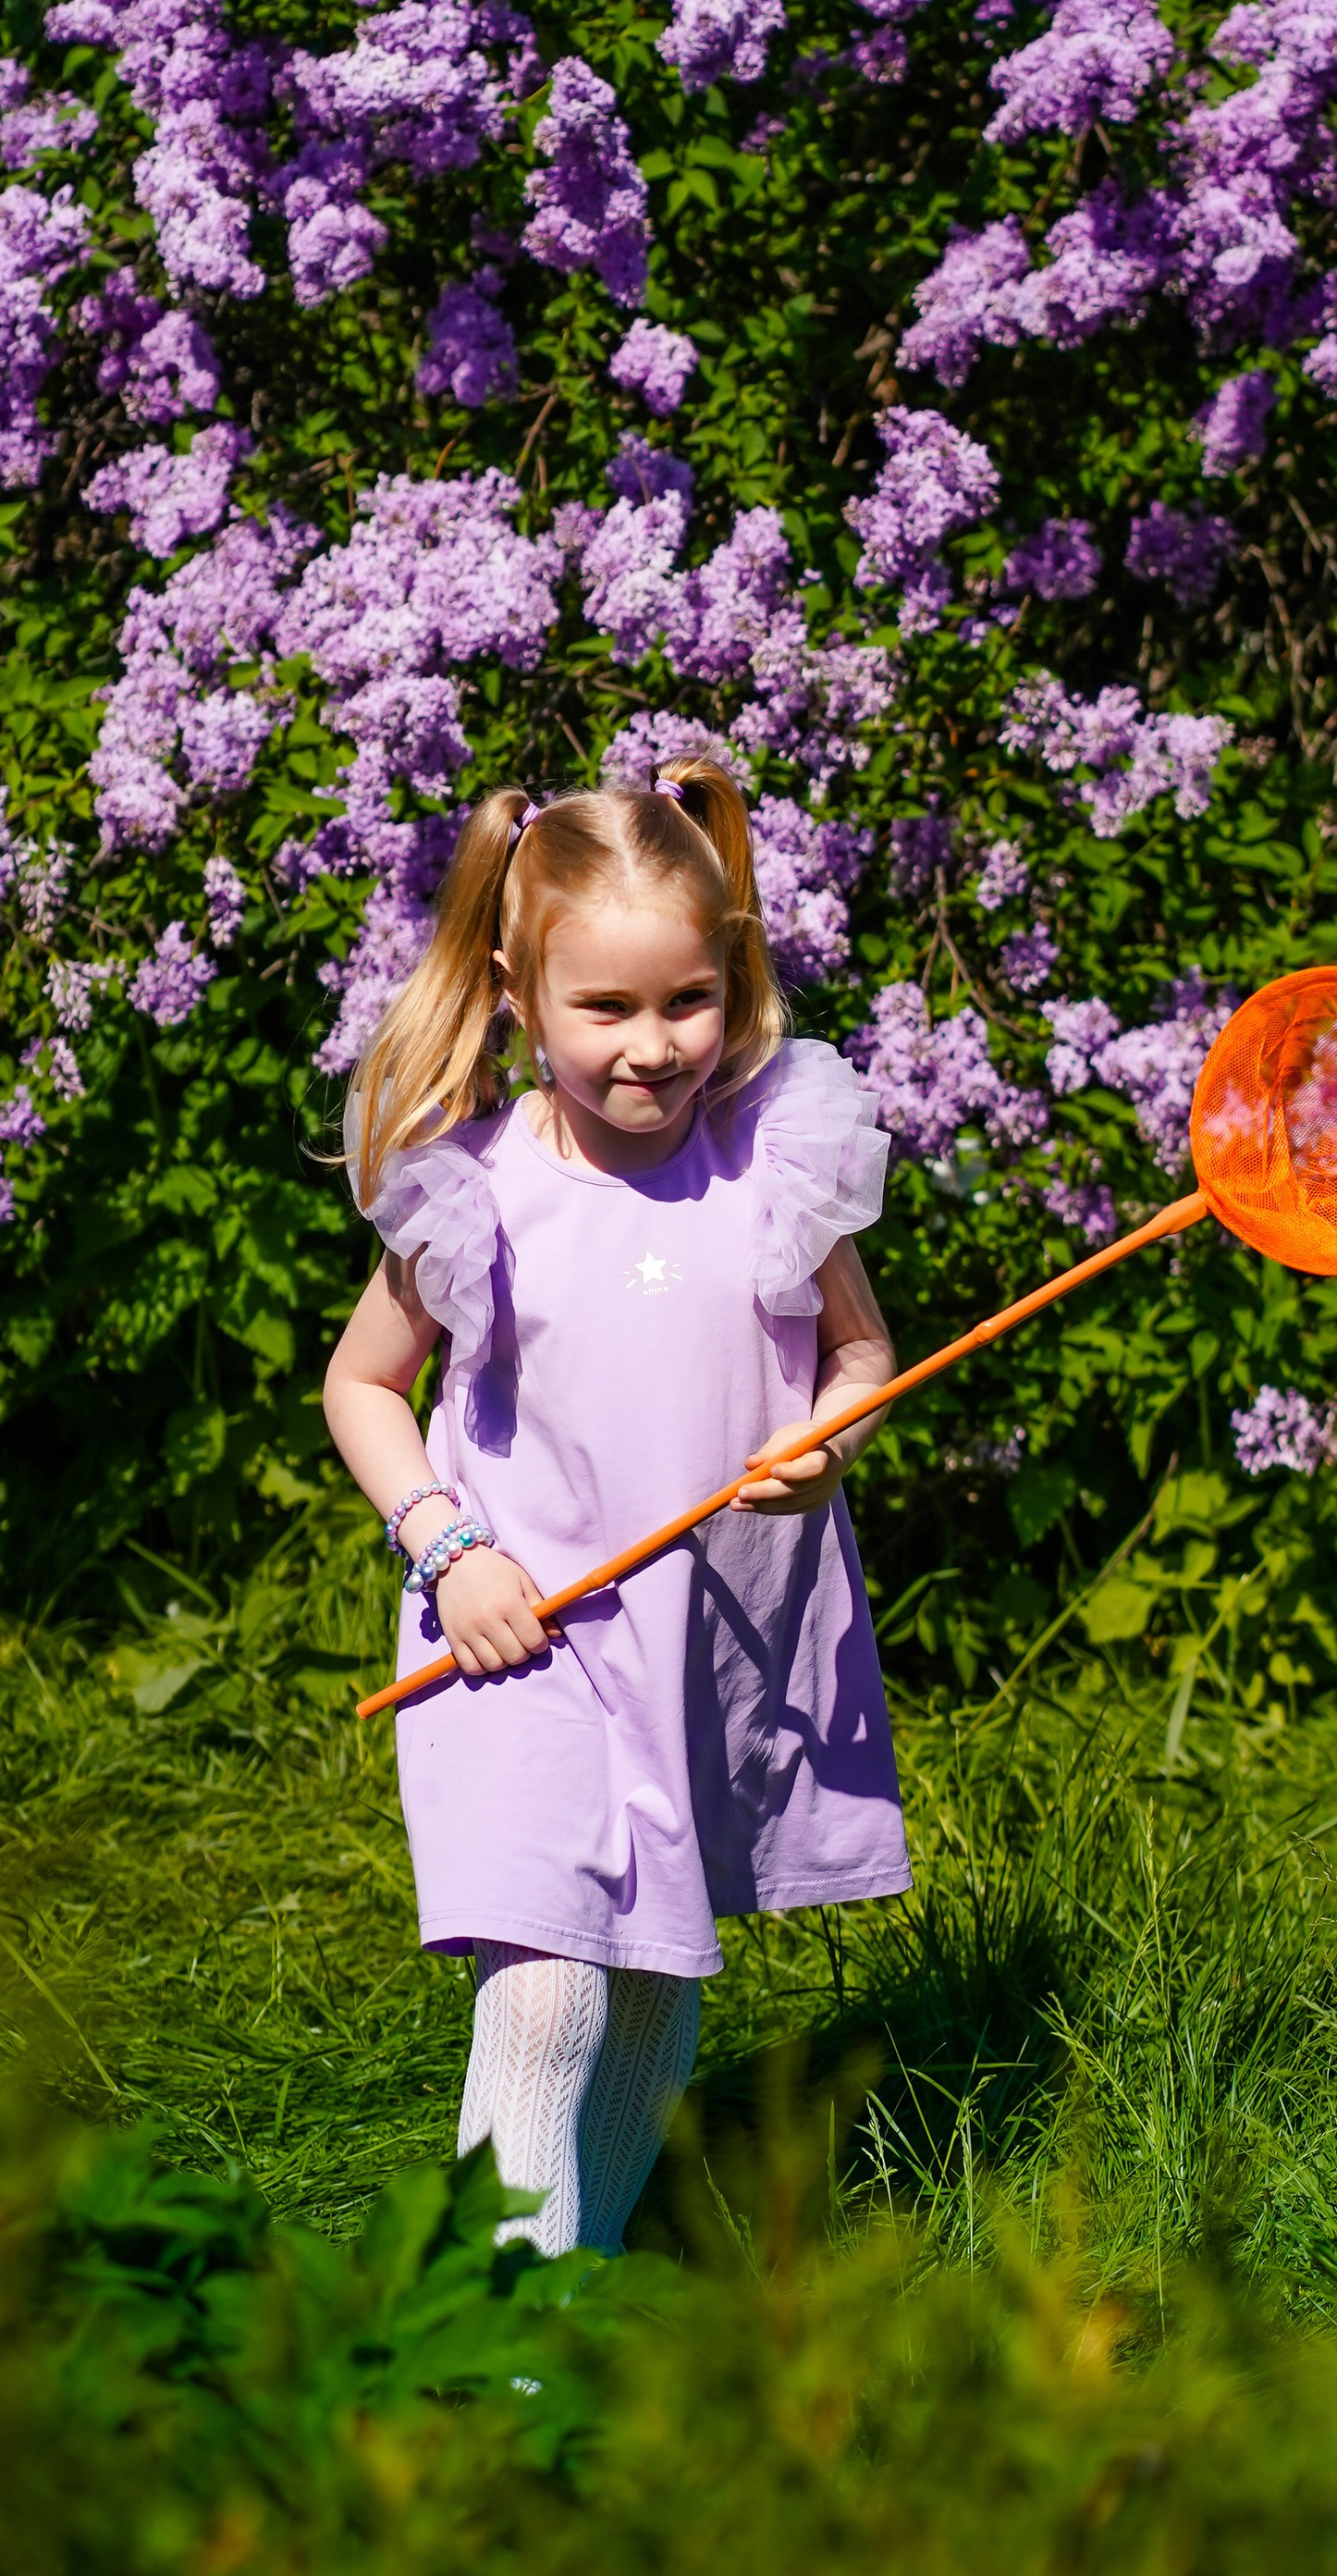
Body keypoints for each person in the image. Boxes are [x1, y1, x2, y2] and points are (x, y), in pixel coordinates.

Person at [321, 758, 910, 2256]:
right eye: (608, 1011)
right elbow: (364, 1392)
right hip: (520, 1637)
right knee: (547, 1991)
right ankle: (484, 2347)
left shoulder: (771, 1164)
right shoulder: (480, 1189)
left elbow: (859, 1350)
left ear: (731, 980)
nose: (655, 1050)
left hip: (707, 1646)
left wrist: (833, 1441)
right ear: (521, 996)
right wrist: (448, 1549)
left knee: (654, 1986)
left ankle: (570, 2278)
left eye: (688, 1003)